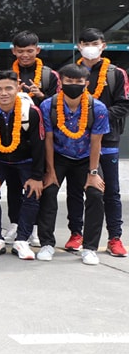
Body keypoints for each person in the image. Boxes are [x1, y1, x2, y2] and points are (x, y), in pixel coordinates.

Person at [37, 64, 109, 266]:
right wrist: (50, 171)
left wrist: (93, 173)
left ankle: (90, 248)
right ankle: (46, 243)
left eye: (79, 82)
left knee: (95, 194)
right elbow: (48, 140)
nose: (74, 85)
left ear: (86, 83)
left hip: (86, 158)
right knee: (49, 191)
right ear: (60, 82)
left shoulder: (97, 108)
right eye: (69, 81)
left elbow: (96, 142)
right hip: (59, 156)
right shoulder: (48, 106)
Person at [66, 28, 129, 258]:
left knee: (110, 190)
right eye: (85, 43)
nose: (90, 46)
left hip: (108, 141)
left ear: (104, 45)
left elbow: (124, 105)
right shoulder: (73, 72)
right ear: (79, 45)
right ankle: (76, 233)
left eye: (95, 43)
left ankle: (115, 238)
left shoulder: (116, 74)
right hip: (76, 142)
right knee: (76, 189)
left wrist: (97, 118)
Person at [0, 71, 45, 260]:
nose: (3, 93)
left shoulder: (31, 111)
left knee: (32, 194)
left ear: (18, 88)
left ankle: (22, 240)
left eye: (8, 88)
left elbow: (39, 145)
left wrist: (37, 177)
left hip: (26, 161)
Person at [8, 30, 59, 245]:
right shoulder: (7, 74)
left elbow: (60, 106)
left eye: (30, 51)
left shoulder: (50, 75)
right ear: (14, 51)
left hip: (40, 139)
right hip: (12, 138)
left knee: (36, 183)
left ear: (38, 50)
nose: (25, 55)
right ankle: (15, 224)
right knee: (12, 185)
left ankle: (36, 227)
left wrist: (41, 97)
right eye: (20, 51)